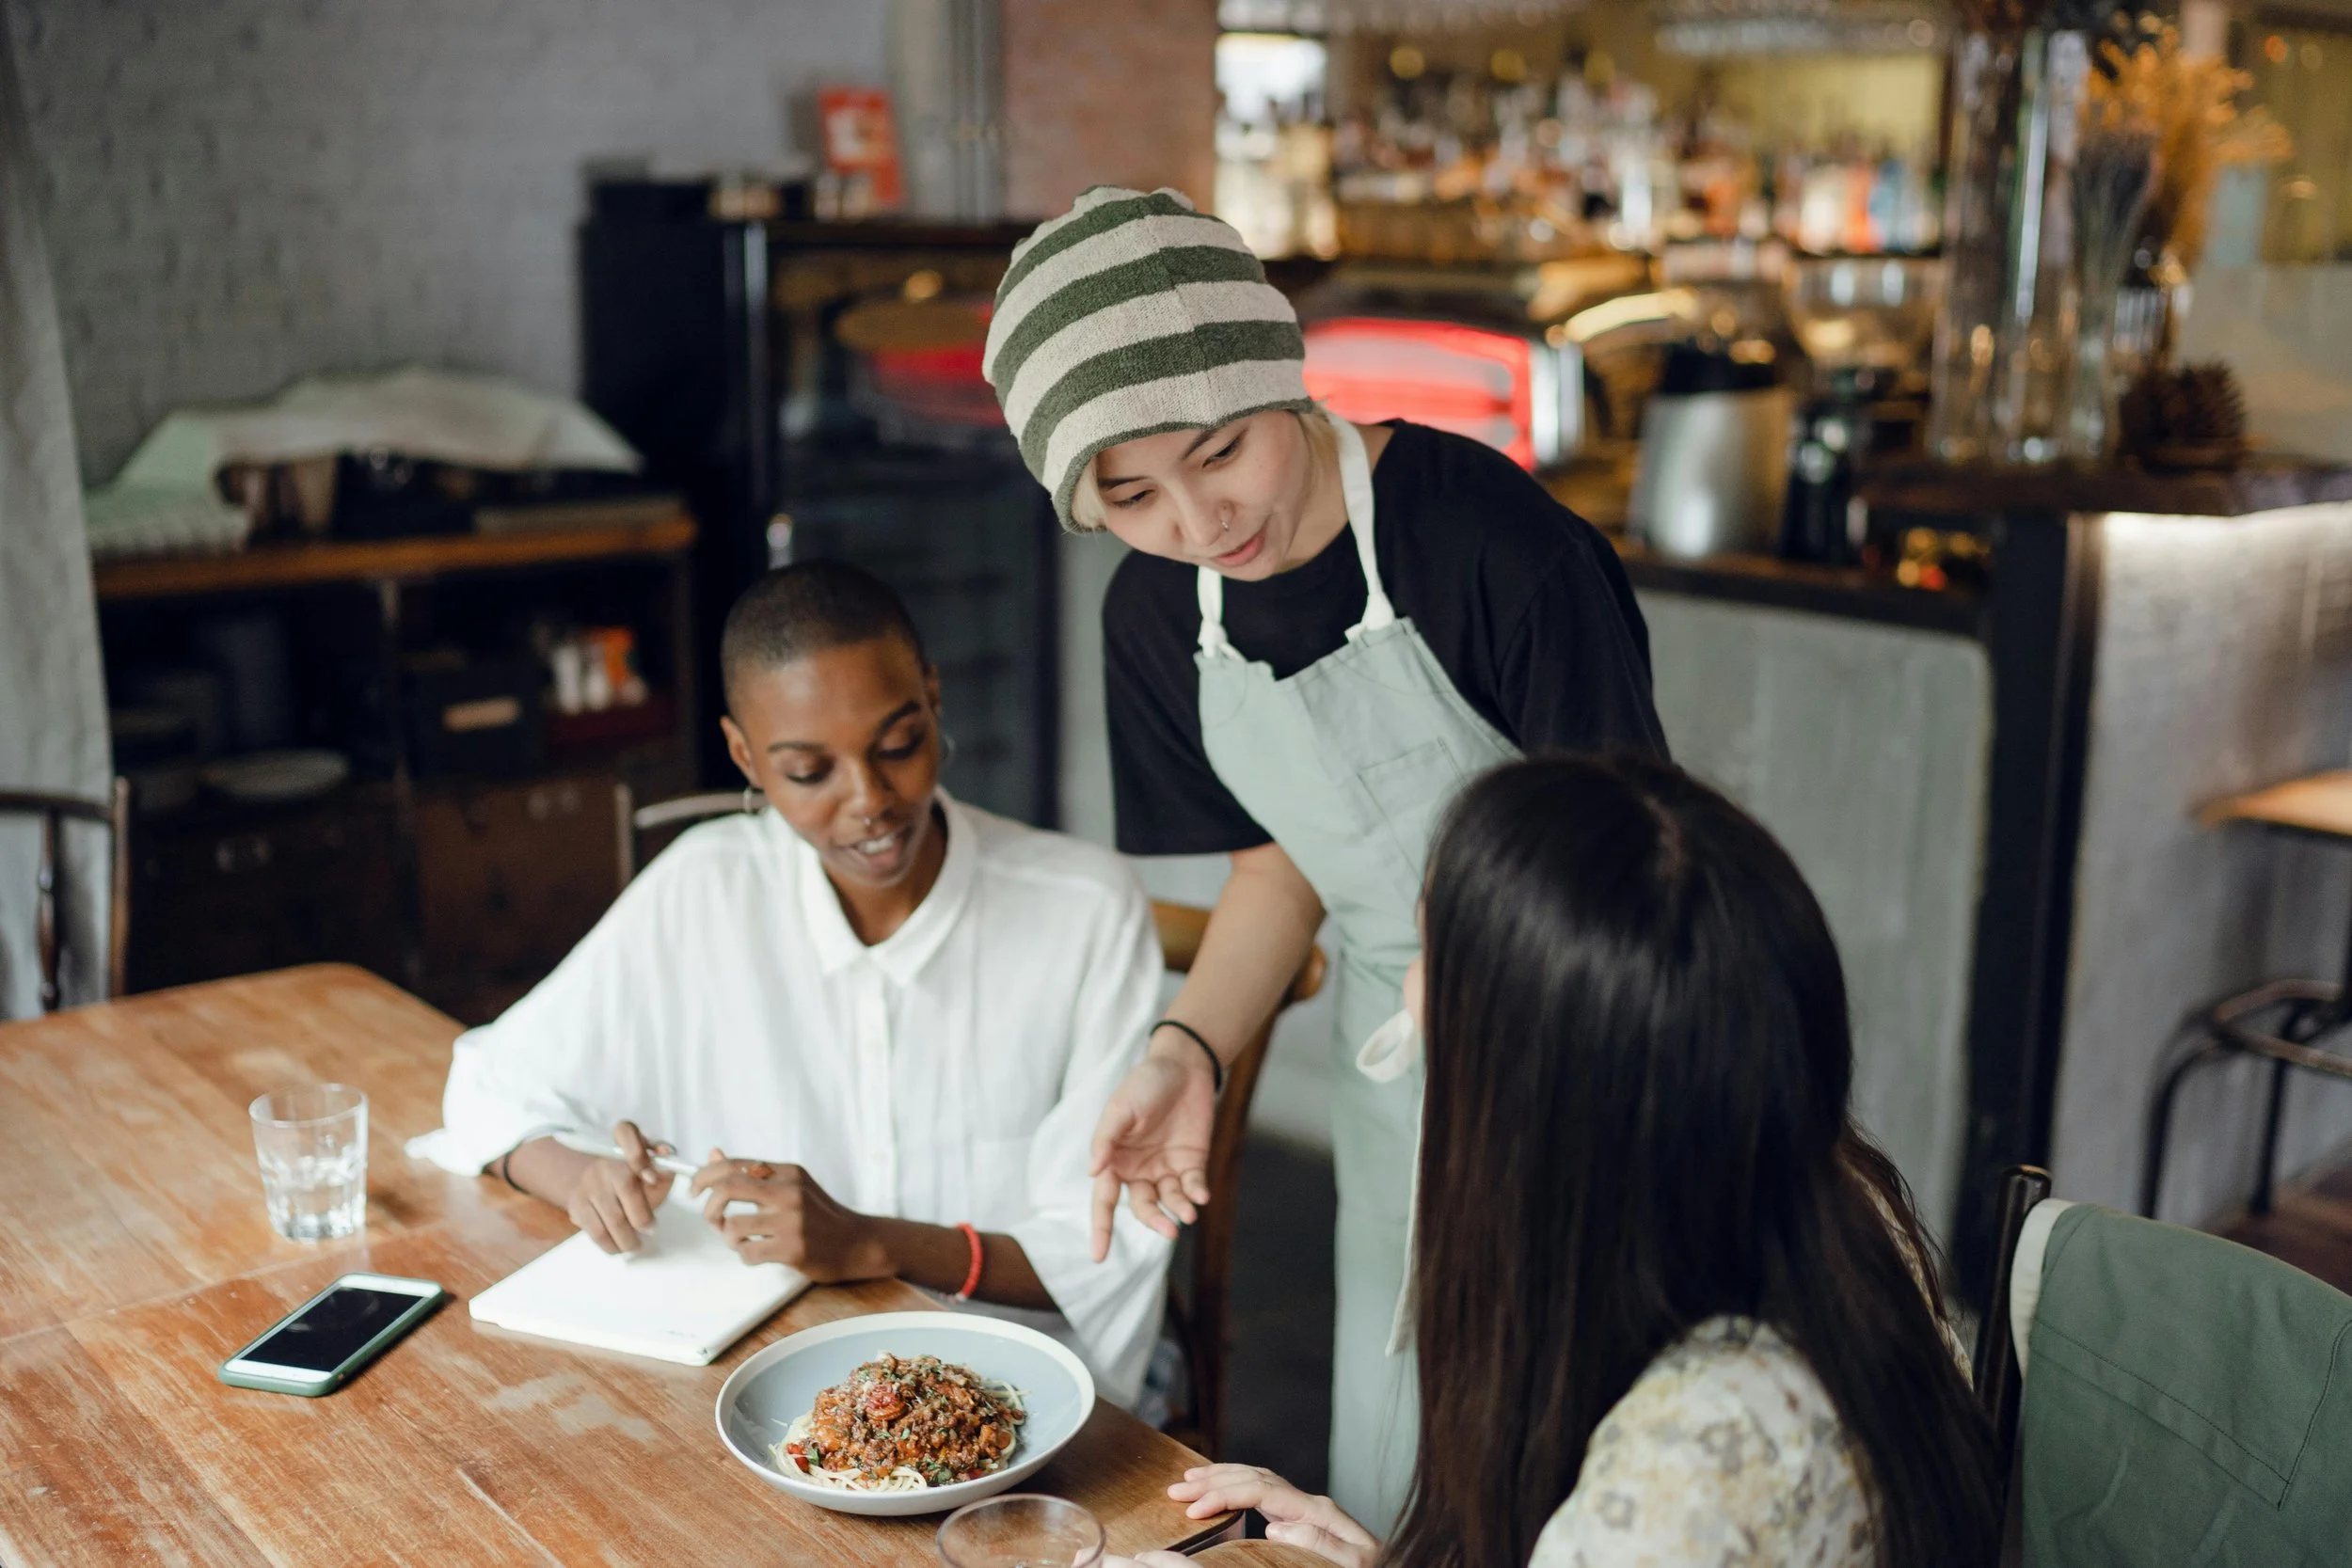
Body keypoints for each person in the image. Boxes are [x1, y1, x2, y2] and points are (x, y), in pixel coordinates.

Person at [982, 184, 1666, 1525]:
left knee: (1582, 1427)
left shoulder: (1487, 540)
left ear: (1279, 376)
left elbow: (1633, 847)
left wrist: (1484, 951)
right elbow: (1275, 871)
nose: (1198, 518)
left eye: (1221, 449)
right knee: (1404, 1425)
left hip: (1595, 1034)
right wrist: (1189, 1050)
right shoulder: (1153, 616)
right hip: (1394, 1064)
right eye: (1130, 492)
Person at [1108, 755, 2000, 1568]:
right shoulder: (1833, 1196)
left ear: (1532, 1085)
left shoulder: (1679, 1477)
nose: (1409, 990)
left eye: (1431, 956)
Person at [435, 562, 1172, 1405]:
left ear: (933, 696)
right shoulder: (703, 886)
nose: (869, 800)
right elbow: (489, 1080)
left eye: (898, 745)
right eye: (809, 772)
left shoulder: (1084, 910)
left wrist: (871, 1242)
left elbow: (1104, 1251)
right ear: (745, 755)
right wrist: (581, 1179)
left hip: (1018, 1396)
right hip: (768, 1395)